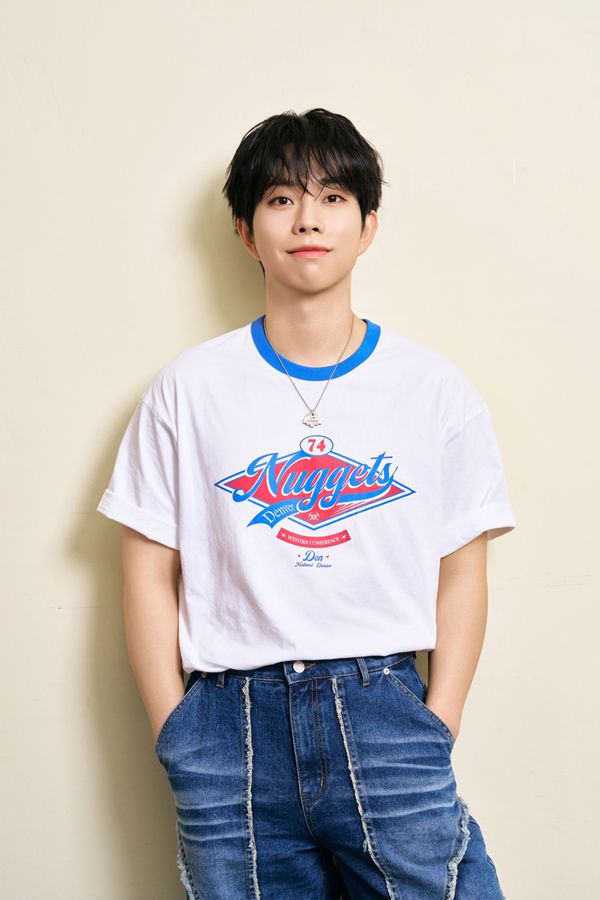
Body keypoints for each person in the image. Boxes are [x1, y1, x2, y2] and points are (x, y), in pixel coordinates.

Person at [96, 107, 515, 899]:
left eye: (332, 197)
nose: (308, 219)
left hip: (385, 711)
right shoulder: (188, 389)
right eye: (281, 199)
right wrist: (176, 734)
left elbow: (462, 568)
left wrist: (439, 721)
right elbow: (148, 570)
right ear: (246, 232)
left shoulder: (434, 391)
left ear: (368, 226)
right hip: (228, 726)